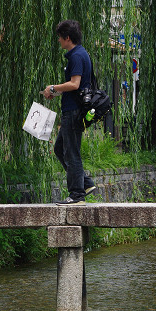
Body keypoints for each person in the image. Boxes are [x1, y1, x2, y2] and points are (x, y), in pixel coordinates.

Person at [43, 20, 97, 206]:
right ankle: (86, 183)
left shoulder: (76, 56)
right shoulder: (80, 54)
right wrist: (55, 92)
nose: (58, 40)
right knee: (60, 149)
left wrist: (52, 87)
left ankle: (76, 195)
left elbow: (75, 84)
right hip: (72, 109)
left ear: (67, 38)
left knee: (71, 153)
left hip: (73, 112)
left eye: (59, 37)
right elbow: (77, 86)